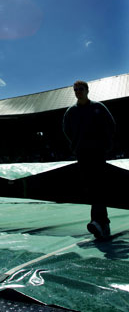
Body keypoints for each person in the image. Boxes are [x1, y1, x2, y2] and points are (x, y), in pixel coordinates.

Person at [63, 80, 115, 239]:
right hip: (82, 154)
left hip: (98, 152)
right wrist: (75, 145)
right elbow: (66, 130)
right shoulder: (71, 112)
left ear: (87, 90)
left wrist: (105, 145)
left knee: (97, 185)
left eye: (80, 89)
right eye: (75, 90)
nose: (77, 91)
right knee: (92, 187)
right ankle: (103, 223)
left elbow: (111, 125)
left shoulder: (98, 107)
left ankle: (98, 222)